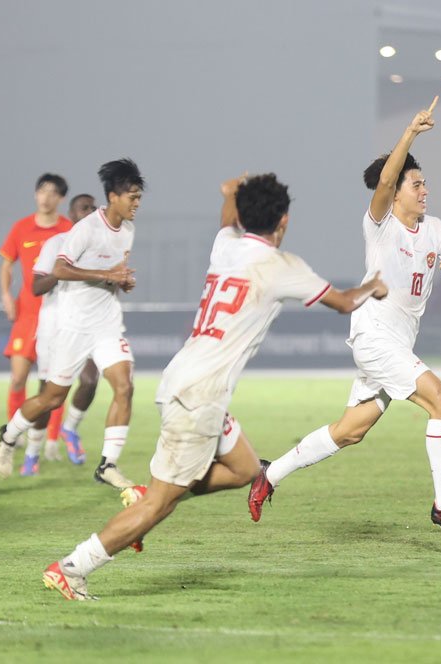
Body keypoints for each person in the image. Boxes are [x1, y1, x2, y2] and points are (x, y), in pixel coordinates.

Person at [41, 172, 387, 600]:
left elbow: (227, 221)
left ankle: (153, 497)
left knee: (244, 470)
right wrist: (375, 284)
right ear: (284, 221)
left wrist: (227, 195)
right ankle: (72, 567)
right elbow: (345, 301)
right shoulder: (283, 267)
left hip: (187, 382)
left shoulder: (226, 245)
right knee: (158, 507)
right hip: (199, 397)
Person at [248, 97, 441, 533]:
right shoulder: (381, 225)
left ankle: (270, 474)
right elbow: (383, 182)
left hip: (398, 341)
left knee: (350, 431)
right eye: (416, 184)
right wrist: (410, 132)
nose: (425, 190)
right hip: (374, 335)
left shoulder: (435, 230)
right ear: (396, 191)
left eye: (425, 184)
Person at [0, 159, 142, 488]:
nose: (137, 204)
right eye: (132, 197)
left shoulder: (128, 231)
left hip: (106, 325)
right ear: (114, 196)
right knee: (51, 398)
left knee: (125, 386)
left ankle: (108, 465)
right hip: (72, 328)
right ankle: (8, 437)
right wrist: (107, 275)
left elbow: (112, 274)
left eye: (139, 197)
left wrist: (121, 282)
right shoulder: (85, 229)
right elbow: (59, 271)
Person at [19, 198, 102, 475]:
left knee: (90, 380)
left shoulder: (101, 245)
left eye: (93, 208)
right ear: (72, 214)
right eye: (84, 208)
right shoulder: (57, 243)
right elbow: (37, 286)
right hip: (54, 327)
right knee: (48, 394)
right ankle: (32, 453)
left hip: (86, 324)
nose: (90, 212)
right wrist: (62, 272)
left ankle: (70, 428)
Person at [0, 174, 73, 462]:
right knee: (18, 378)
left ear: (61, 198)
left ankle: (51, 439)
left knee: (54, 383)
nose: (46, 197)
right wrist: (6, 294)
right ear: (35, 194)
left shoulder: (68, 229)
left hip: (57, 316)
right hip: (28, 315)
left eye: (53, 193)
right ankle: (14, 433)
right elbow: (7, 264)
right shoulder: (21, 228)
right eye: (42, 191)